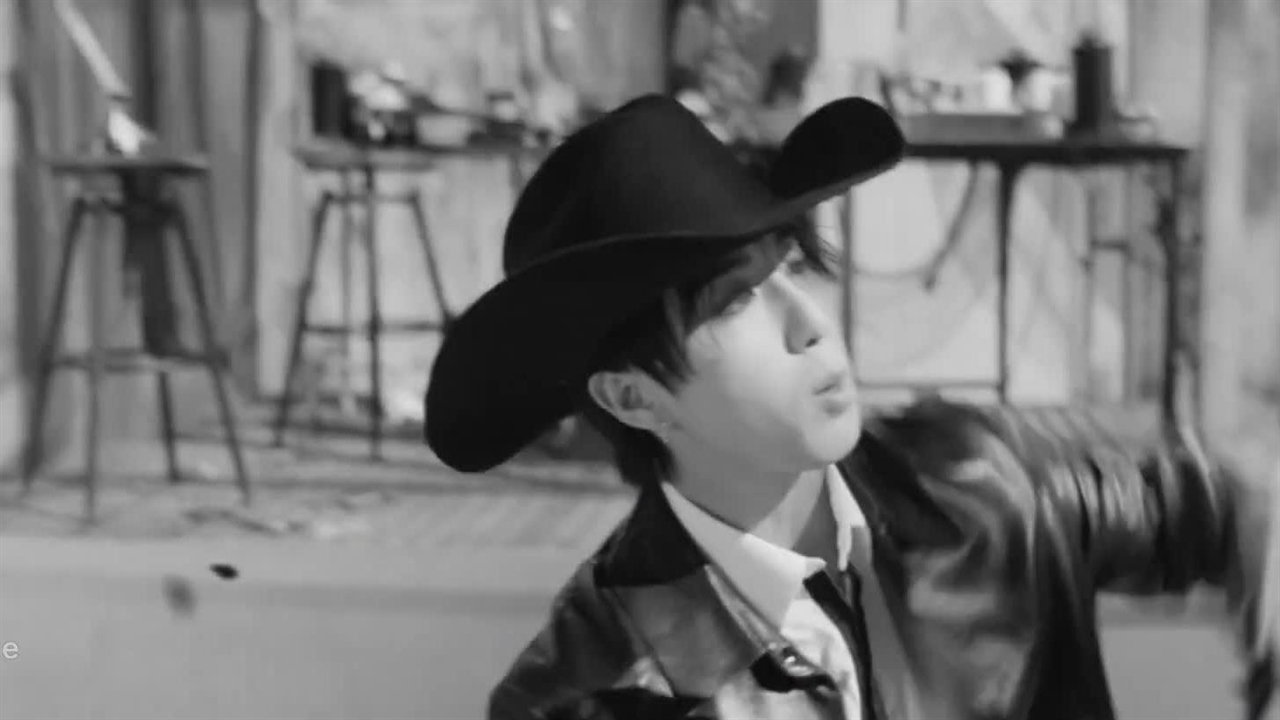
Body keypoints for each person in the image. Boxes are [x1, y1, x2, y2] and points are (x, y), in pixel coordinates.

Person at [423, 94, 1277, 719]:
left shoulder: (984, 484)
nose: (810, 324)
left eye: (794, 265)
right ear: (632, 397)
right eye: (735, 299)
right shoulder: (591, 692)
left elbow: (1236, 504)